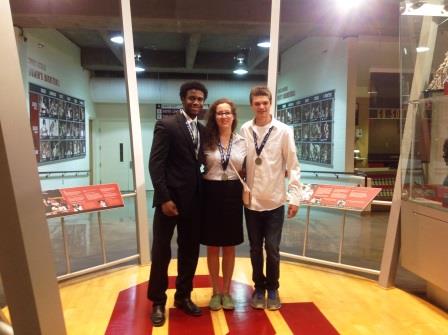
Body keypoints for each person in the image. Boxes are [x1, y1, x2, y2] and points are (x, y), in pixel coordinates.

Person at [147, 81, 208, 327]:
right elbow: (156, 164)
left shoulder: (203, 130)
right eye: (191, 98)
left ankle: (183, 296)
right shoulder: (167, 125)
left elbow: (200, 164)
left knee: (190, 252)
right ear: (183, 98)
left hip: (194, 202)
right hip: (169, 202)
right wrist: (164, 198)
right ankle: (158, 301)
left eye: (200, 99)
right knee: (161, 252)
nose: (195, 102)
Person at [240, 86, 302, 311]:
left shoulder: (284, 130)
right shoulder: (245, 129)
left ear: (270, 103)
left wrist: (295, 197)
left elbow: (293, 166)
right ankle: (258, 287)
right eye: (257, 103)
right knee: (255, 248)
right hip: (252, 202)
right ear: (252, 105)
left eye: (265, 102)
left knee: (273, 248)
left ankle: (273, 288)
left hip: (275, 201)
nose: (261, 107)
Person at [201, 98, 247, 311]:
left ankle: (227, 292)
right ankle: (214, 291)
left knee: (229, 245)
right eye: (219, 113)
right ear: (214, 116)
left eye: (227, 112)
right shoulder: (206, 141)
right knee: (212, 245)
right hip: (210, 192)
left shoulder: (242, 142)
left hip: (233, 193)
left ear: (233, 116)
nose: (224, 116)